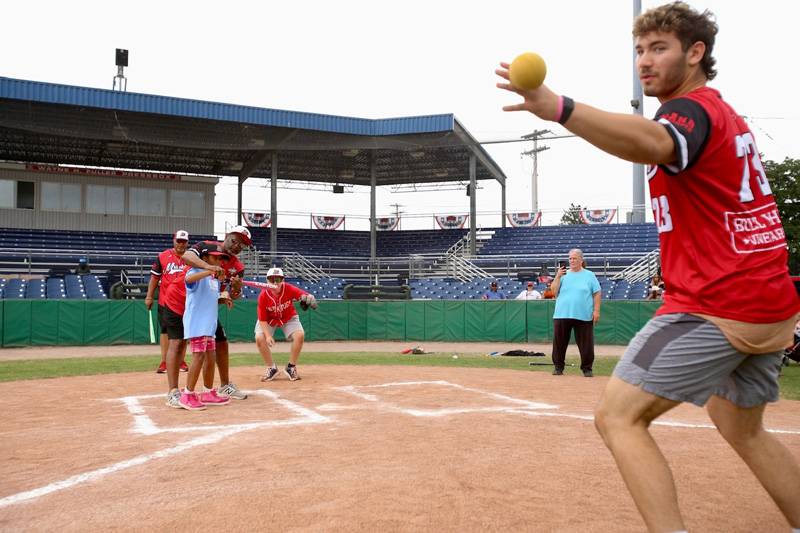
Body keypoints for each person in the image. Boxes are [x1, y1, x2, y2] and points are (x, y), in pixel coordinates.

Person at [497, 3, 800, 531]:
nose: (645, 60)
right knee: (740, 424)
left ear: (696, 53)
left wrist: (560, 108)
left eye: (659, 48)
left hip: (718, 303)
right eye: (639, 50)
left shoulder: (691, 110)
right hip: (768, 303)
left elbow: (655, 143)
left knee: (617, 416)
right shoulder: (723, 115)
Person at [181, 225, 251, 400]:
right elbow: (186, 256)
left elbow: (232, 294)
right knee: (183, 348)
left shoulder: (238, 267)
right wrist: (209, 267)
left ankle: (215, 388)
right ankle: (180, 391)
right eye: (235, 241)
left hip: (207, 309)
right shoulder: (208, 247)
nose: (236, 246)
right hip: (189, 302)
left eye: (241, 246)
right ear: (227, 236)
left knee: (218, 344)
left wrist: (235, 290)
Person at [179, 245, 231, 410]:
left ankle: (208, 392)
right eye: (215, 257)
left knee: (211, 357)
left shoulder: (213, 279)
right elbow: (187, 281)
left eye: (220, 258)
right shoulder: (195, 272)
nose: (219, 261)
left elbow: (210, 297)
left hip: (209, 325)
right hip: (197, 323)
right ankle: (187, 394)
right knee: (198, 357)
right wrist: (209, 270)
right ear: (205, 258)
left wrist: (223, 298)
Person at [255, 267, 317, 381]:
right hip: (269, 320)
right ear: (267, 281)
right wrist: (268, 336)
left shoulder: (288, 288)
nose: (274, 282)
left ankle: (291, 367)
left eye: (278, 279)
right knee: (259, 338)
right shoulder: (263, 296)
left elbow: (303, 295)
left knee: (300, 335)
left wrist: (308, 297)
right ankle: (271, 368)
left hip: (288, 316)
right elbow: (262, 319)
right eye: (271, 279)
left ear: (283, 280)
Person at [549, 249, 601, 377]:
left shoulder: (589, 275)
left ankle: (587, 368)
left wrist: (596, 310)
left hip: (583, 315)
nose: (572, 261)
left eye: (574, 258)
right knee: (559, 343)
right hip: (562, 314)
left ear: (581, 260)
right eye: (570, 258)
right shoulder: (563, 275)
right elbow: (554, 292)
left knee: (586, 344)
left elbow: (597, 293)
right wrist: (557, 276)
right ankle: (558, 367)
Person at [146, 230, 190, 375]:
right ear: (174, 241)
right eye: (179, 241)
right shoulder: (163, 256)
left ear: (187, 243)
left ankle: (181, 361)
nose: (181, 244)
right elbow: (154, 278)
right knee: (165, 331)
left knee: (184, 333)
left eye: (184, 242)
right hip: (165, 301)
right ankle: (165, 361)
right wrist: (149, 296)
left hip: (186, 302)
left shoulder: (192, 258)